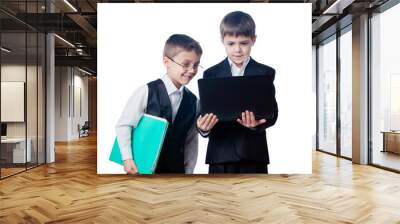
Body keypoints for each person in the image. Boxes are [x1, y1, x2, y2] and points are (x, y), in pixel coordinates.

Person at [197, 11, 278, 174]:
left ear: (253, 40)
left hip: (253, 154)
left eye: (243, 43)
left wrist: (256, 125)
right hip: (220, 155)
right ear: (222, 41)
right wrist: (203, 128)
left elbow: (273, 113)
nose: (238, 50)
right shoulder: (211, 74)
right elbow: (203, 113)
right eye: (231, 43)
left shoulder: (265, 73)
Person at [116, 34, 203, 174]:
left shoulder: (194, 102)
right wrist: (127, 159)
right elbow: (124, 125)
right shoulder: (146, 91)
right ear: (166, 61)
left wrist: (189, 170)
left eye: (196, 65)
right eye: (186, 64)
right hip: (143, 168)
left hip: (177, 171)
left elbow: (191, 140)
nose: (192, 70)